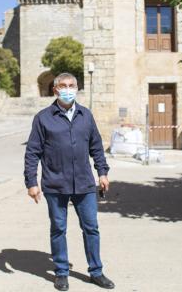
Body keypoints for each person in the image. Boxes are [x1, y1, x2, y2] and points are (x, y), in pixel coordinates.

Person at [24, 72, 115, 291]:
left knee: (91, 228)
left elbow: (96, 147)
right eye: (63, 85)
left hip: (84, 184)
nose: (67, 89)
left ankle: (96, 272)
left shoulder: (86, 115)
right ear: (55, 90)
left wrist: (102, 172)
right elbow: (32, 152)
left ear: (77, 88)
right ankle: (61, 272)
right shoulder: (43, 118)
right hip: (55, 184)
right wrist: (31, 182)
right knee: (58, 229)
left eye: (71, 85)